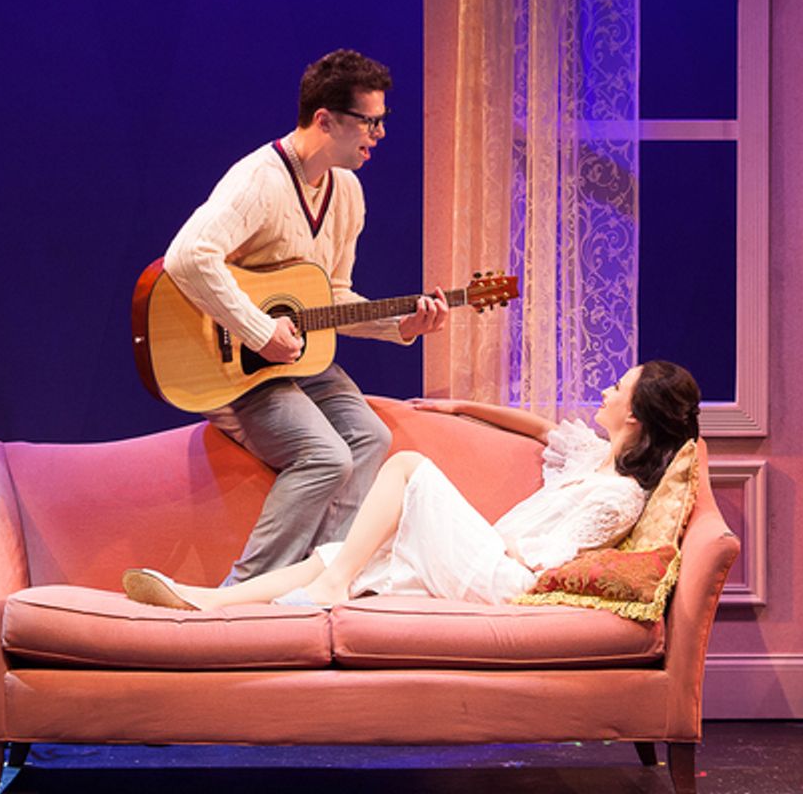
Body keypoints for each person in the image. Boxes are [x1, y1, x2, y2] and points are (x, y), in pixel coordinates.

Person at [162, 49, 449, 585]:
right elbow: (187, 255)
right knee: (326, 457)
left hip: (294, 362)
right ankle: (242, 595)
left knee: (371, 438)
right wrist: (257, 329)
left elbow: (332, 295)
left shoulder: (348, 192)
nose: (380, 134)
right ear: (326, 120)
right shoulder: (259, 180)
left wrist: (399, 325)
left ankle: (317, 580)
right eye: (370, 121)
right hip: (235, 365)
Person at [122, 360, 702, 610]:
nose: (606, 391)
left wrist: (476, 535)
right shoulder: (594, 455)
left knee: (409, 467)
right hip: (486, 560)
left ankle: (335, 586)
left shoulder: (619, 495)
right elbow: (542, 428)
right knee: (341, 553)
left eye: (618, 387)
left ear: (636, 415)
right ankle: (208, 600)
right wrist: (458, 405)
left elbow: (545, 565)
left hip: (507, 582)